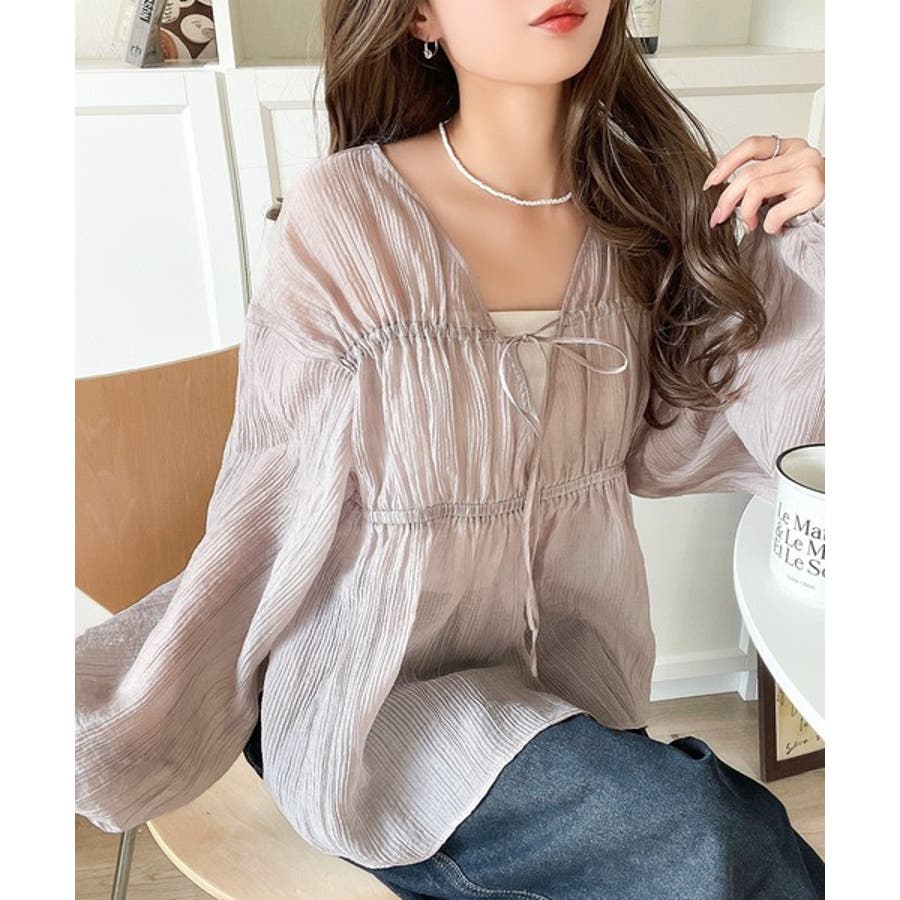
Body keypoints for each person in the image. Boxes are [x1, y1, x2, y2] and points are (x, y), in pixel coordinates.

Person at [75, 1, 826, 897]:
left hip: (576, 697)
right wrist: (161, 704)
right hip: (374, 708)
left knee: (713, 842)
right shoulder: (347, 217)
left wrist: (821, 242)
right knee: (713, 839)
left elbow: (709, 444)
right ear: (420, 16)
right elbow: (270, 503)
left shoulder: (645, 210)